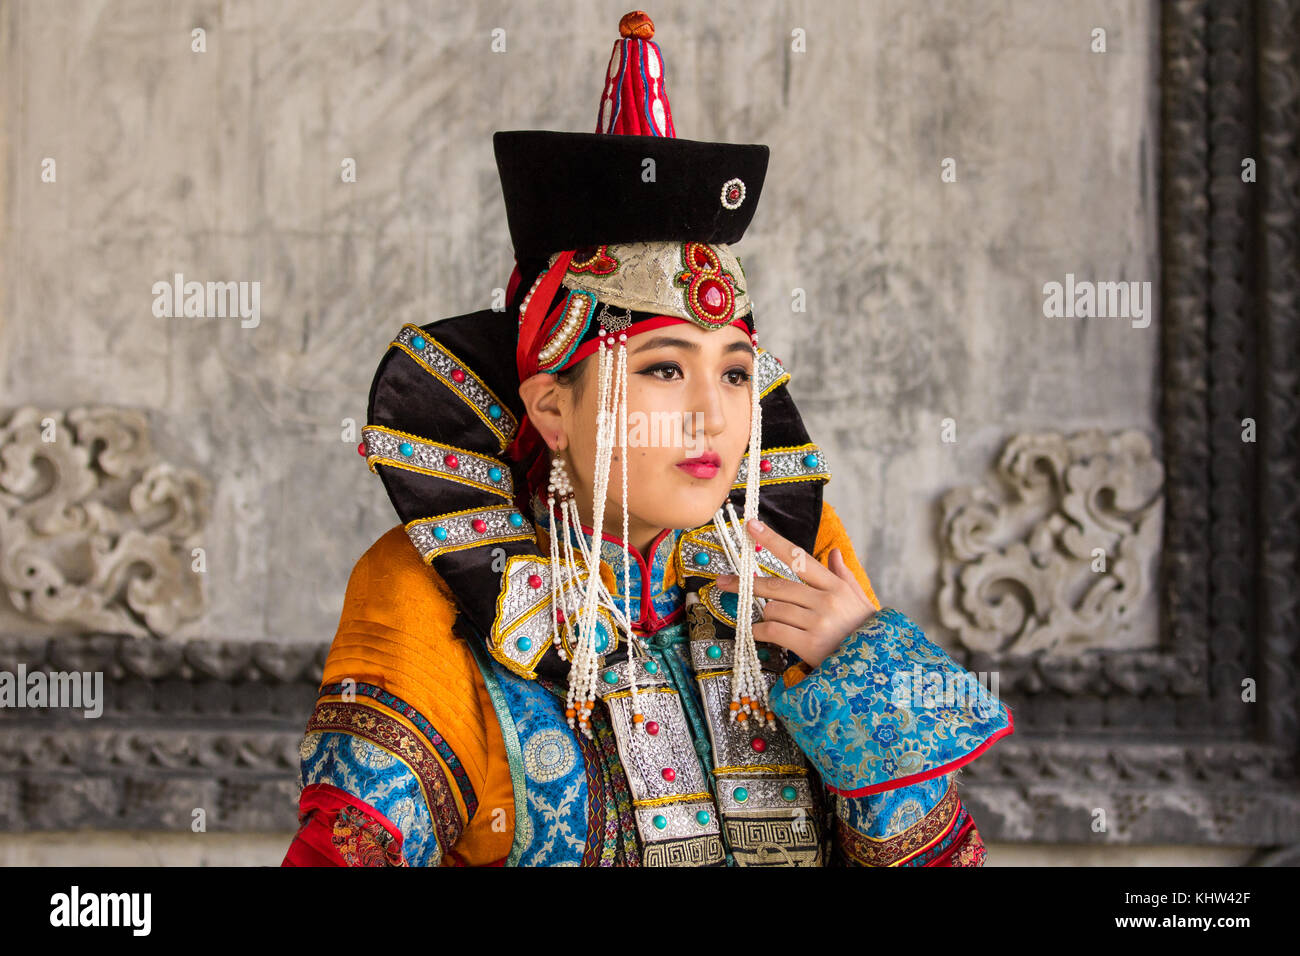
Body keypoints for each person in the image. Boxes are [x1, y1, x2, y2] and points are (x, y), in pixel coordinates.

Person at [282, 10, 1012, 868]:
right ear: (552, 408)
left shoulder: (792, 574)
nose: (713, 414)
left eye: (736, 372)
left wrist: (867, 669)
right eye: (665, 370)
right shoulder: (430, 594)